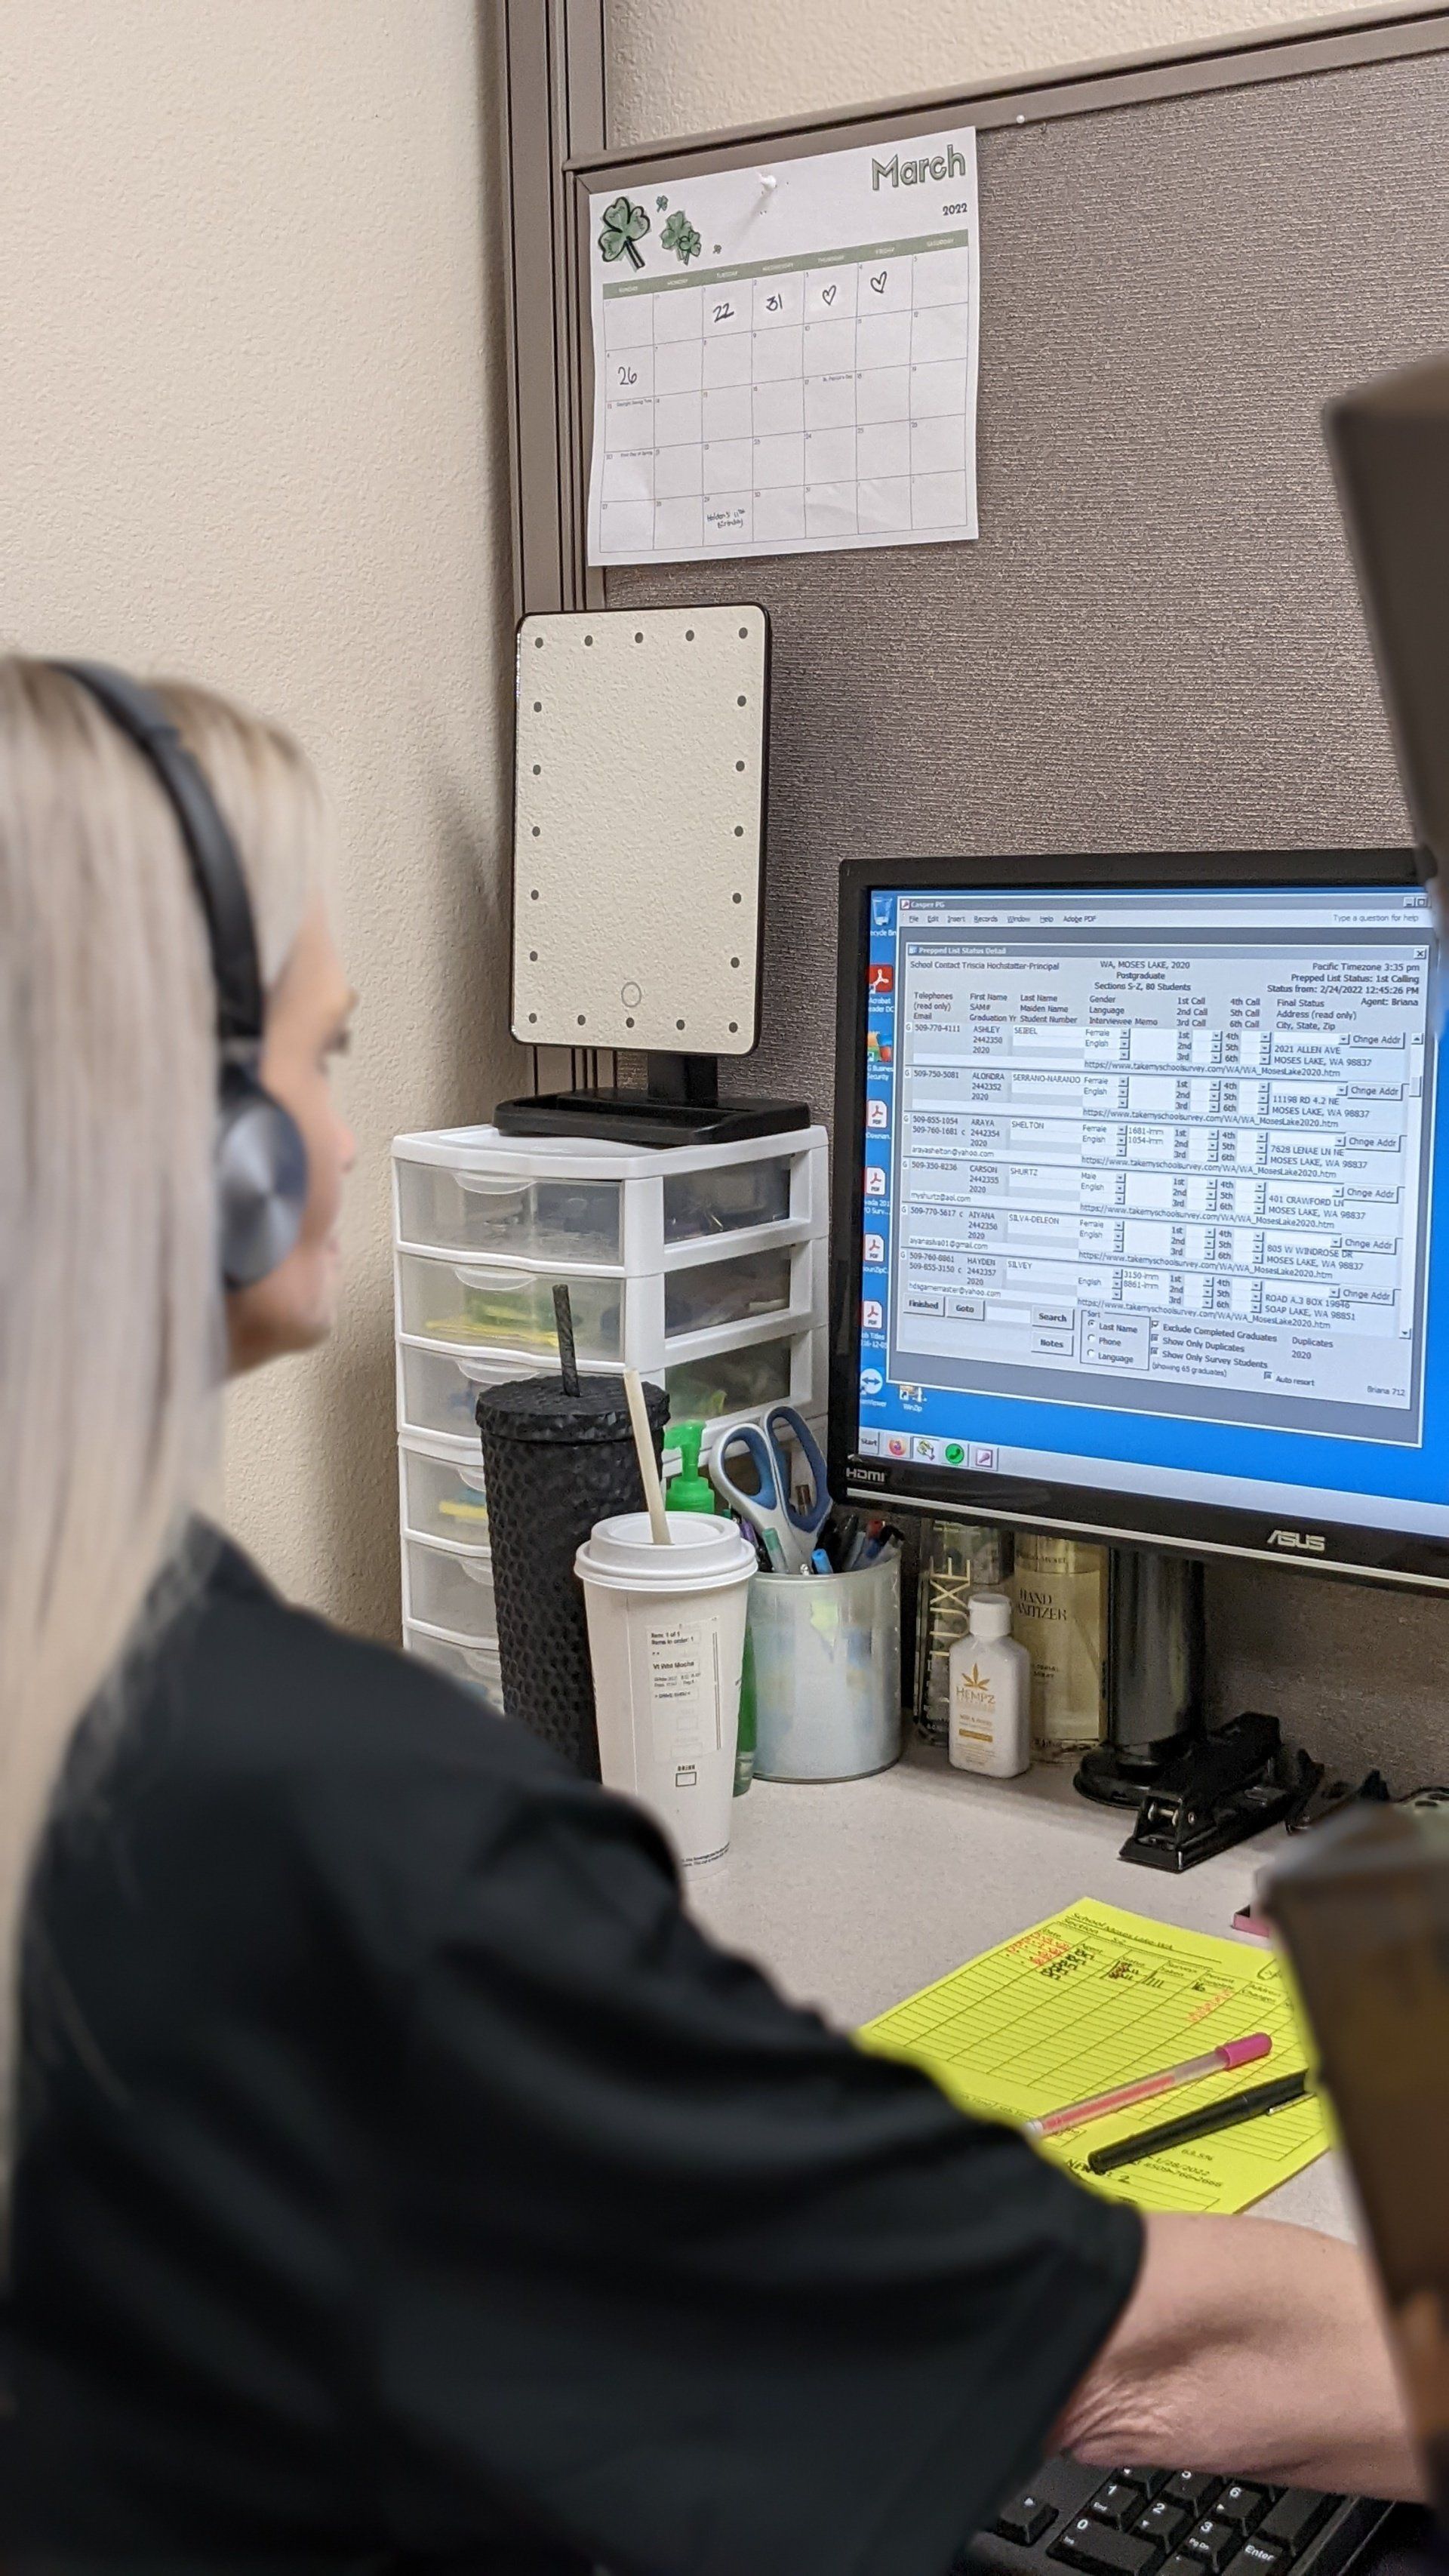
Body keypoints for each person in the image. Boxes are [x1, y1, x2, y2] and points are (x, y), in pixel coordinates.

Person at [0, 655, 1423, 2574]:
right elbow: (1106, 2354)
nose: (344, 1140)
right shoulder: (340, 1825)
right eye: (323, 1064)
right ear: (186, 1135)